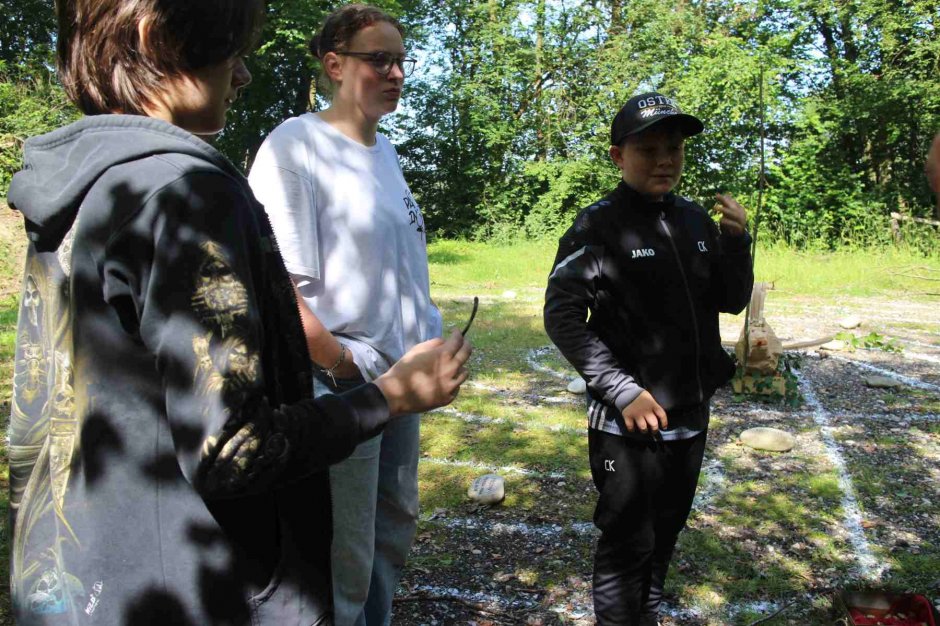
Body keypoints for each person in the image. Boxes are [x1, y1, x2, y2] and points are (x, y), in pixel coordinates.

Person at [7, 1, 470, 624]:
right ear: (156, 34)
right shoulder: (186, 194)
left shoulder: (89, 183)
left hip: (86, 574)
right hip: (192, 588)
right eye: (234, 52)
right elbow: (233, 449)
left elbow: (45, 420)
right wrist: (384, 396)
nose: (244, 75)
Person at [247, 6, 437, 625]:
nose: (395, 73)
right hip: (341, 383)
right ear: (334, 65)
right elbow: (276, 285)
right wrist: (341, 365)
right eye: (378, 59)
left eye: (401, 61)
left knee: (391, 528)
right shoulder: (295, 146)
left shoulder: (385, 153)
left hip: (398, 378)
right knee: (344, 550)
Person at [543, 93, 754, 626]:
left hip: (691, 412)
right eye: (649, 150)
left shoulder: (696, 220)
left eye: (674, 149)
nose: (665, 160)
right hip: (628, 423)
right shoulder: (597, 226)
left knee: (665, 534)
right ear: (619, 156)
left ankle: (648, 617)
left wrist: (736, 242)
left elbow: (731, 300)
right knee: (627, 543)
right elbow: (562, 316)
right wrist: (622, 390)